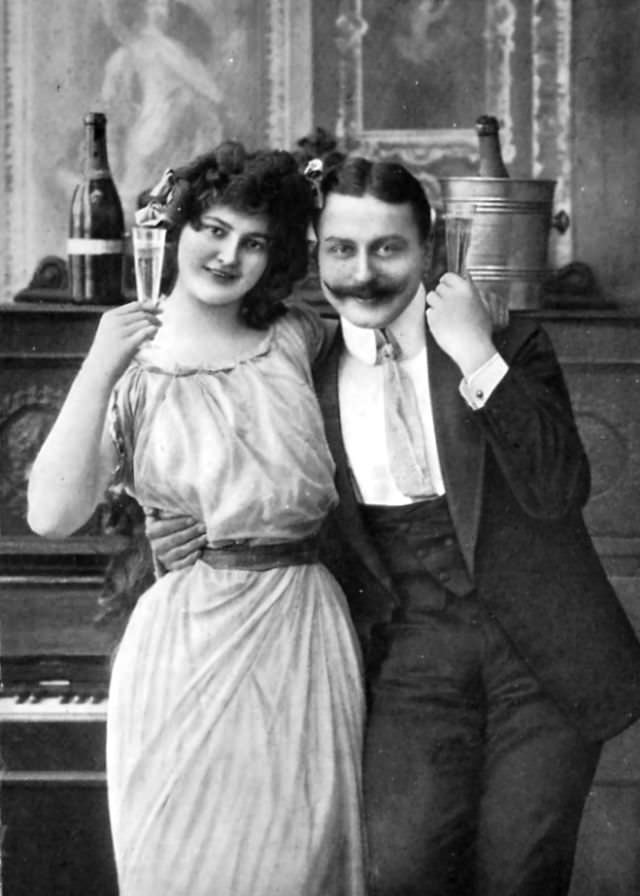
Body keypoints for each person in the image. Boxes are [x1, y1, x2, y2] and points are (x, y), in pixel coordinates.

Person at [150, 154, 640, 896]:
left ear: (430, 246)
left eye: (389, 249)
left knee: (519, 872)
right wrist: (180, 537)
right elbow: (249, 491)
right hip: (409, 663)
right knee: (401, 869)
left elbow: (560, 488)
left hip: (537, 659)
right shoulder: (298, 370)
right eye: (342, 249)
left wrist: (475, 352)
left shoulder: (505, 341)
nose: (364, 274)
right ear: (315, 250)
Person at [27, 144, 367, 896]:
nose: (228, 255)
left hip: (299, 634)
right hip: (185, 647)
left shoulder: (293, 337)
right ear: (175, 229)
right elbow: (51, 514)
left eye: (254, 242)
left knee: (295, 874)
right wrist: (96, 365)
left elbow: (376, 264)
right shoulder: (133, 365)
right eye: (212, 230)